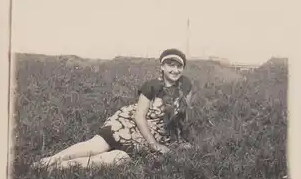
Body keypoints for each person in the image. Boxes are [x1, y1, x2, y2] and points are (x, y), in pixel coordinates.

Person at [36, 48, 193, 169]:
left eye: (179, 66)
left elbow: (182, 114)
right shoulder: (151, 86)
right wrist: (154, 145)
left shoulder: (185, 85)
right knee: (97, 146)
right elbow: (139, 117)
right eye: (171, 65)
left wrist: (181, 140)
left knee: (120, 158)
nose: (175, 70)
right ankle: (49, 161)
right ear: (162, 67)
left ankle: (61, 167)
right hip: (130, 125)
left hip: (158, 133)